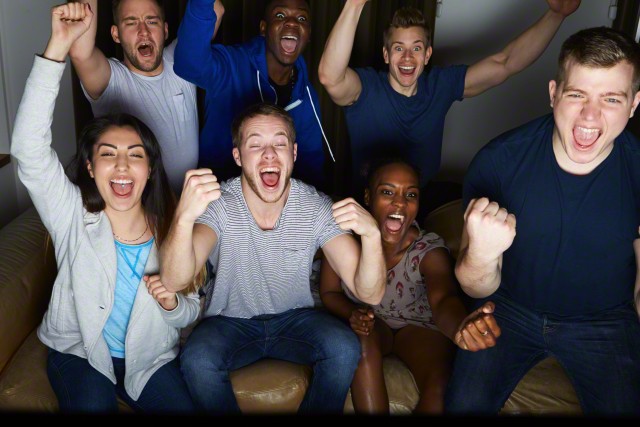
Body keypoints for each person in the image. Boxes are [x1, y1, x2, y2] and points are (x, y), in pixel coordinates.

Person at [8, 4, 202, 412]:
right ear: (91, 167)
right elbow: (28, 150)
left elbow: (190, 309)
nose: (122, 166)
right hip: (79, 353)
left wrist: (172, 305)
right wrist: (58, 45)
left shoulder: (173, 223)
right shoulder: (72, 214)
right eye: (109, 154)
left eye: (135, 155)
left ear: (150, 169)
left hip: (150, 362)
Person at [445, 26, 640, 415]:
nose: (590, 116)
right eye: (576, 94)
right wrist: (481, 252)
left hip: (605, 321)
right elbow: (473, 283)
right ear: (553, 94)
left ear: (634, 105)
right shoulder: (498, 162)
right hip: (510, 309)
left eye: (611, 99)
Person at [159, 103, 386, 413]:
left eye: (279, 143)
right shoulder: (219, 204)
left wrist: (372, 236)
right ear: (238, 156)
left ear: (293, 153)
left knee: (344, 348)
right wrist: (184, 217)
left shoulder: (315, 207)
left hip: (295, 319)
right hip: (228, 322)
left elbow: (369, 293)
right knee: (198, 360)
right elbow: (174, 280)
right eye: (255, 145)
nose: (269, 154)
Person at [318, 0, 581, 211]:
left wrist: (556, 15)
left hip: (422, 200)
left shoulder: (440, 84)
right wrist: (354, 3)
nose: (407, 57)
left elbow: (505, 63)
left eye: (416, 48)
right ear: (386, 55)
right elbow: (330, 77)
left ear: (427, 55)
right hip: (368, 203)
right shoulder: (365, 88)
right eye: (398, 48)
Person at [319, 158, 500, 414]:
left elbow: (443, 300)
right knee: (361, 344)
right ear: (368, 197)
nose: (400, 203)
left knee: (440, 383)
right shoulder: (343, 240)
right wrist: (352, 314)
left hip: (418, 327)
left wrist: (460, 327)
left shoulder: (428, 249)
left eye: (411, 194)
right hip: (373, 325)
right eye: (387, 192)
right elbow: (329, 292)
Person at [65, 0, 222, 195]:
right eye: (131, 23)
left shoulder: (182, 60)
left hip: (187, 198)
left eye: (152, 21)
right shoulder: (111, 80)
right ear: (116, 34)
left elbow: (215, 9)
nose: (143, 31)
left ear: (165, 30)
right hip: (139, 204)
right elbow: (80, 52)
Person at [174, 0, 331, 192]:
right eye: (280, 15)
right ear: (264, 28)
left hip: (273, 202)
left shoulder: (305, 93)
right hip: (218, 197)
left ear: (308, 35)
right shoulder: (232, 65)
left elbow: (311, 168)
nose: (292, 22)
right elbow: (188, 64)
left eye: (302, 18)